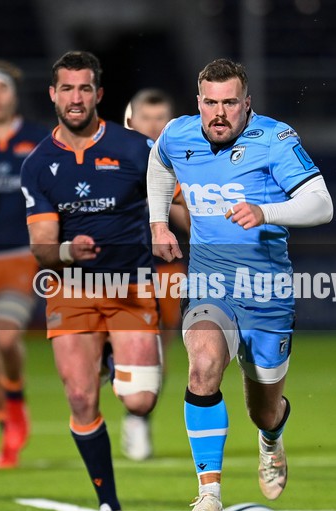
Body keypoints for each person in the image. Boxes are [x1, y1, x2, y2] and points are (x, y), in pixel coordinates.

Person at [147, 58, 333, 511]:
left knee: (263, 409)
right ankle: (209, 494)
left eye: (230, 102)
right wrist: (158, 222)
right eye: (211, 102)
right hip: (210, 282)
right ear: (199, 102)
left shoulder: (275, 138)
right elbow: (158, 162)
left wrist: (266, 211)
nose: (219, 112)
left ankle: (272, 437)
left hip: (268, 292)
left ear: (246, 104)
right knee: (204, 364)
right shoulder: (179, 135)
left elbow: (321, 204)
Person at [21, 51, 162, 511]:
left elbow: (174, 202)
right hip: (72, 288)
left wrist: (175, 226)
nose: (76, 98)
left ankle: (113, 359)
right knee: (81, 398)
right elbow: (41, 249)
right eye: (67, 89)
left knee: (140, 401)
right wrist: (66, 248)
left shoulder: (136, 148)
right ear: (53, 95)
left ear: (99, 94)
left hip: (130, 286)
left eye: (85, 89)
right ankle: (110, 506)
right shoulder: (38, 165)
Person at [0, 59, 48, 468]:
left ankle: (17, 400)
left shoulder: (37, 140)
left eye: (1, 88)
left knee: (3, 339)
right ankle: (6, 424)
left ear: (14, 94)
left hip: (19, 258)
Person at [116, 88, 189, 461]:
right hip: (115, 269)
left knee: (159, 345)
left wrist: (165, 199)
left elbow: (189, 222)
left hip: (164, 268)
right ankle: (115, 368)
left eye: (162, 118)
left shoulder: (181, 161)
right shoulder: (113, 158)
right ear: (132, 120)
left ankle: (138, 416)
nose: (154, 125)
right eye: (147, 117)